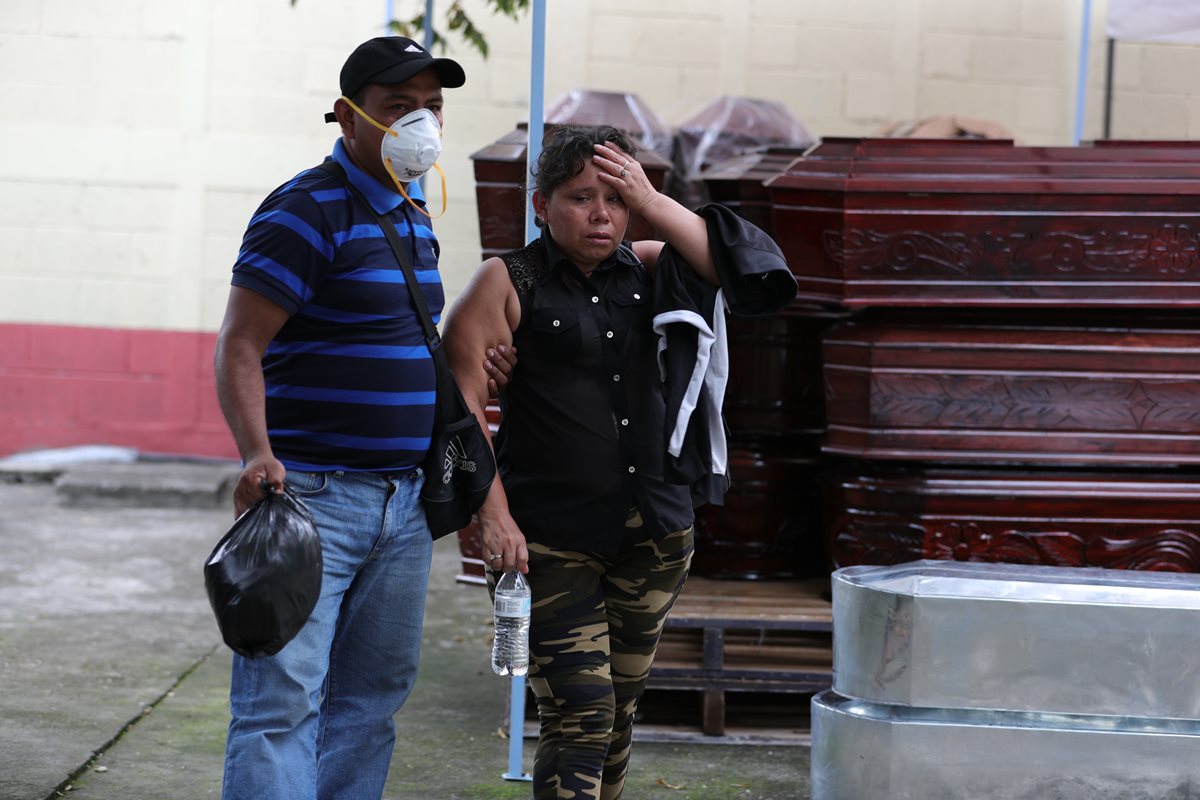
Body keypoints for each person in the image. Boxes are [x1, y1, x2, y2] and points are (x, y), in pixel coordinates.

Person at [444, 125, 792, 799]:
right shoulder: (505, 281)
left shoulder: (657, 266)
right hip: (547, 540)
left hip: (654, 535)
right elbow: (462, 415)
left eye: (615, 196)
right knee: (582, 713)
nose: (601, 213)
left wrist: (654, 201)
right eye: (580, 197)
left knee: (619, 717)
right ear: (541, 204)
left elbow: (754, 276)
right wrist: (493, 519)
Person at [212, 36, 513, 800]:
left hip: (404, 504)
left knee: (371, 704)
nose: (422, 124)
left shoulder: (413, 216)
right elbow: (241, 344)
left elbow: (402, 338)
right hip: (312, 498)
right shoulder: (304, 209)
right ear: (349, 119)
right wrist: (255, 453)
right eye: (398, 108)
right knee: (280, 706)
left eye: (432, 107)